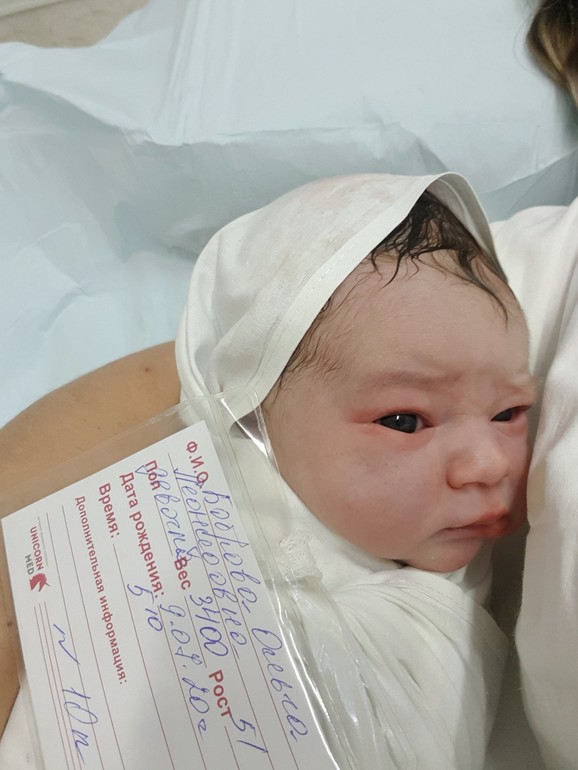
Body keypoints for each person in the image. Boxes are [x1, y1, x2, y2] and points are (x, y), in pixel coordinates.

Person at [1, 171, 533, 768]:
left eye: (510, 412)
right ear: (252, 406)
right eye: (406, 421)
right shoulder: (179, 476)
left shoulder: (428, 634)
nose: (488, 465)